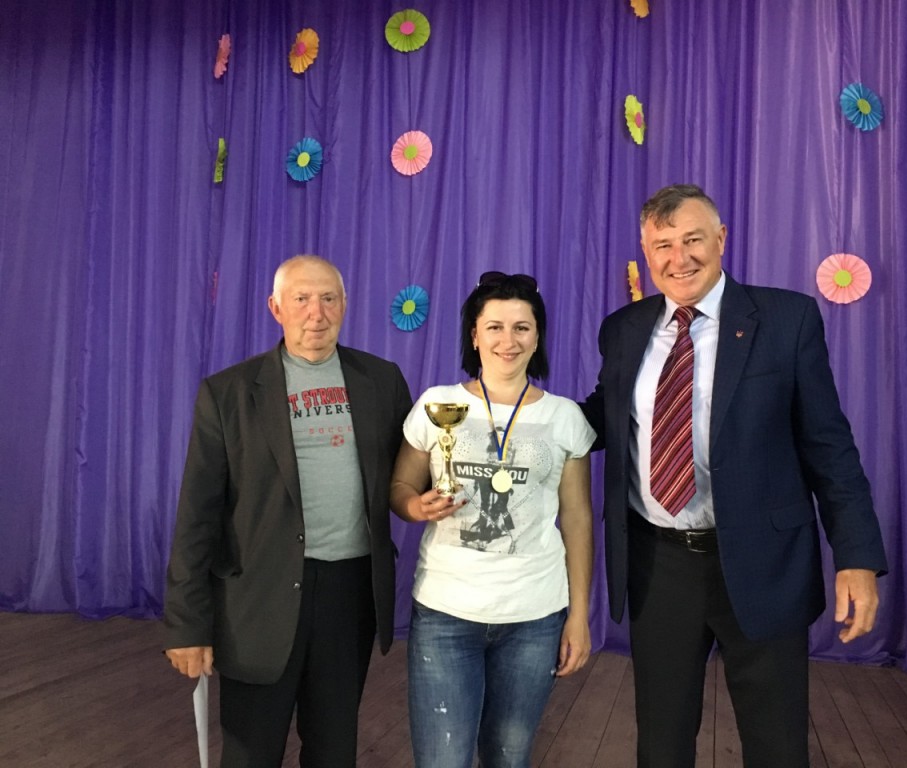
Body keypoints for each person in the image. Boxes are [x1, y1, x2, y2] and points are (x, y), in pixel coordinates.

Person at [581, 185, 888, 767]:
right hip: (658, 566)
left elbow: (830, 448)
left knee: (777, 747)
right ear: (647, 253)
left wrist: (857, 557)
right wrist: (523, 417)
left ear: (721, 239)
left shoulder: (787, 319)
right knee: (661, 747)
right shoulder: (623, 329)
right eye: (663, 245)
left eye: (693, 239)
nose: (679, 258)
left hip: (763, 561)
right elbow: (602, 417)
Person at [163, 255, 412, 767]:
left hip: (348, 595)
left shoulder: (382, 381)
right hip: (258, 600)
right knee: (251, 754)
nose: (316, 313)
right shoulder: (228, 393)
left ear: (344, 305)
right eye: (301, 299)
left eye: (328, 299)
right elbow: (196, 518)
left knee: (333, 750)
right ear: (276, 308)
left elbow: (410, 473)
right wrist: (188, 625)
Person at [390, 271, 595, 768]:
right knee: (443, 759)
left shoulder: (565, 417)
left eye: (522, 328)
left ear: (538, 337)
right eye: (495, 327)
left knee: (510, 757)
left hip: (534, 617)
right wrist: (416, 507)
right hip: (446, 611)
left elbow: (577, 518)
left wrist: (578, 615)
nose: (509, 340)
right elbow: (399, 489)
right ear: (475, 335)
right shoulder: (437, 404)